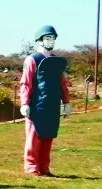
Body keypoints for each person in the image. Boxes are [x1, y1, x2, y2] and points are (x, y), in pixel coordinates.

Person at [20, 25, 72, 177]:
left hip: (52, 105)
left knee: (48, 135)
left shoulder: (56, 61)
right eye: (48, 38)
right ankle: (31, 167)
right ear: (40, 40)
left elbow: (62, 83)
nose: (51, 41)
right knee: (34, 137)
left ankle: (44, 167)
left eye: (53, 38)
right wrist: (25, 103)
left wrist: (66, 102)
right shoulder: (32, 60)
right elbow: (26, 83)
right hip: (36, 105)